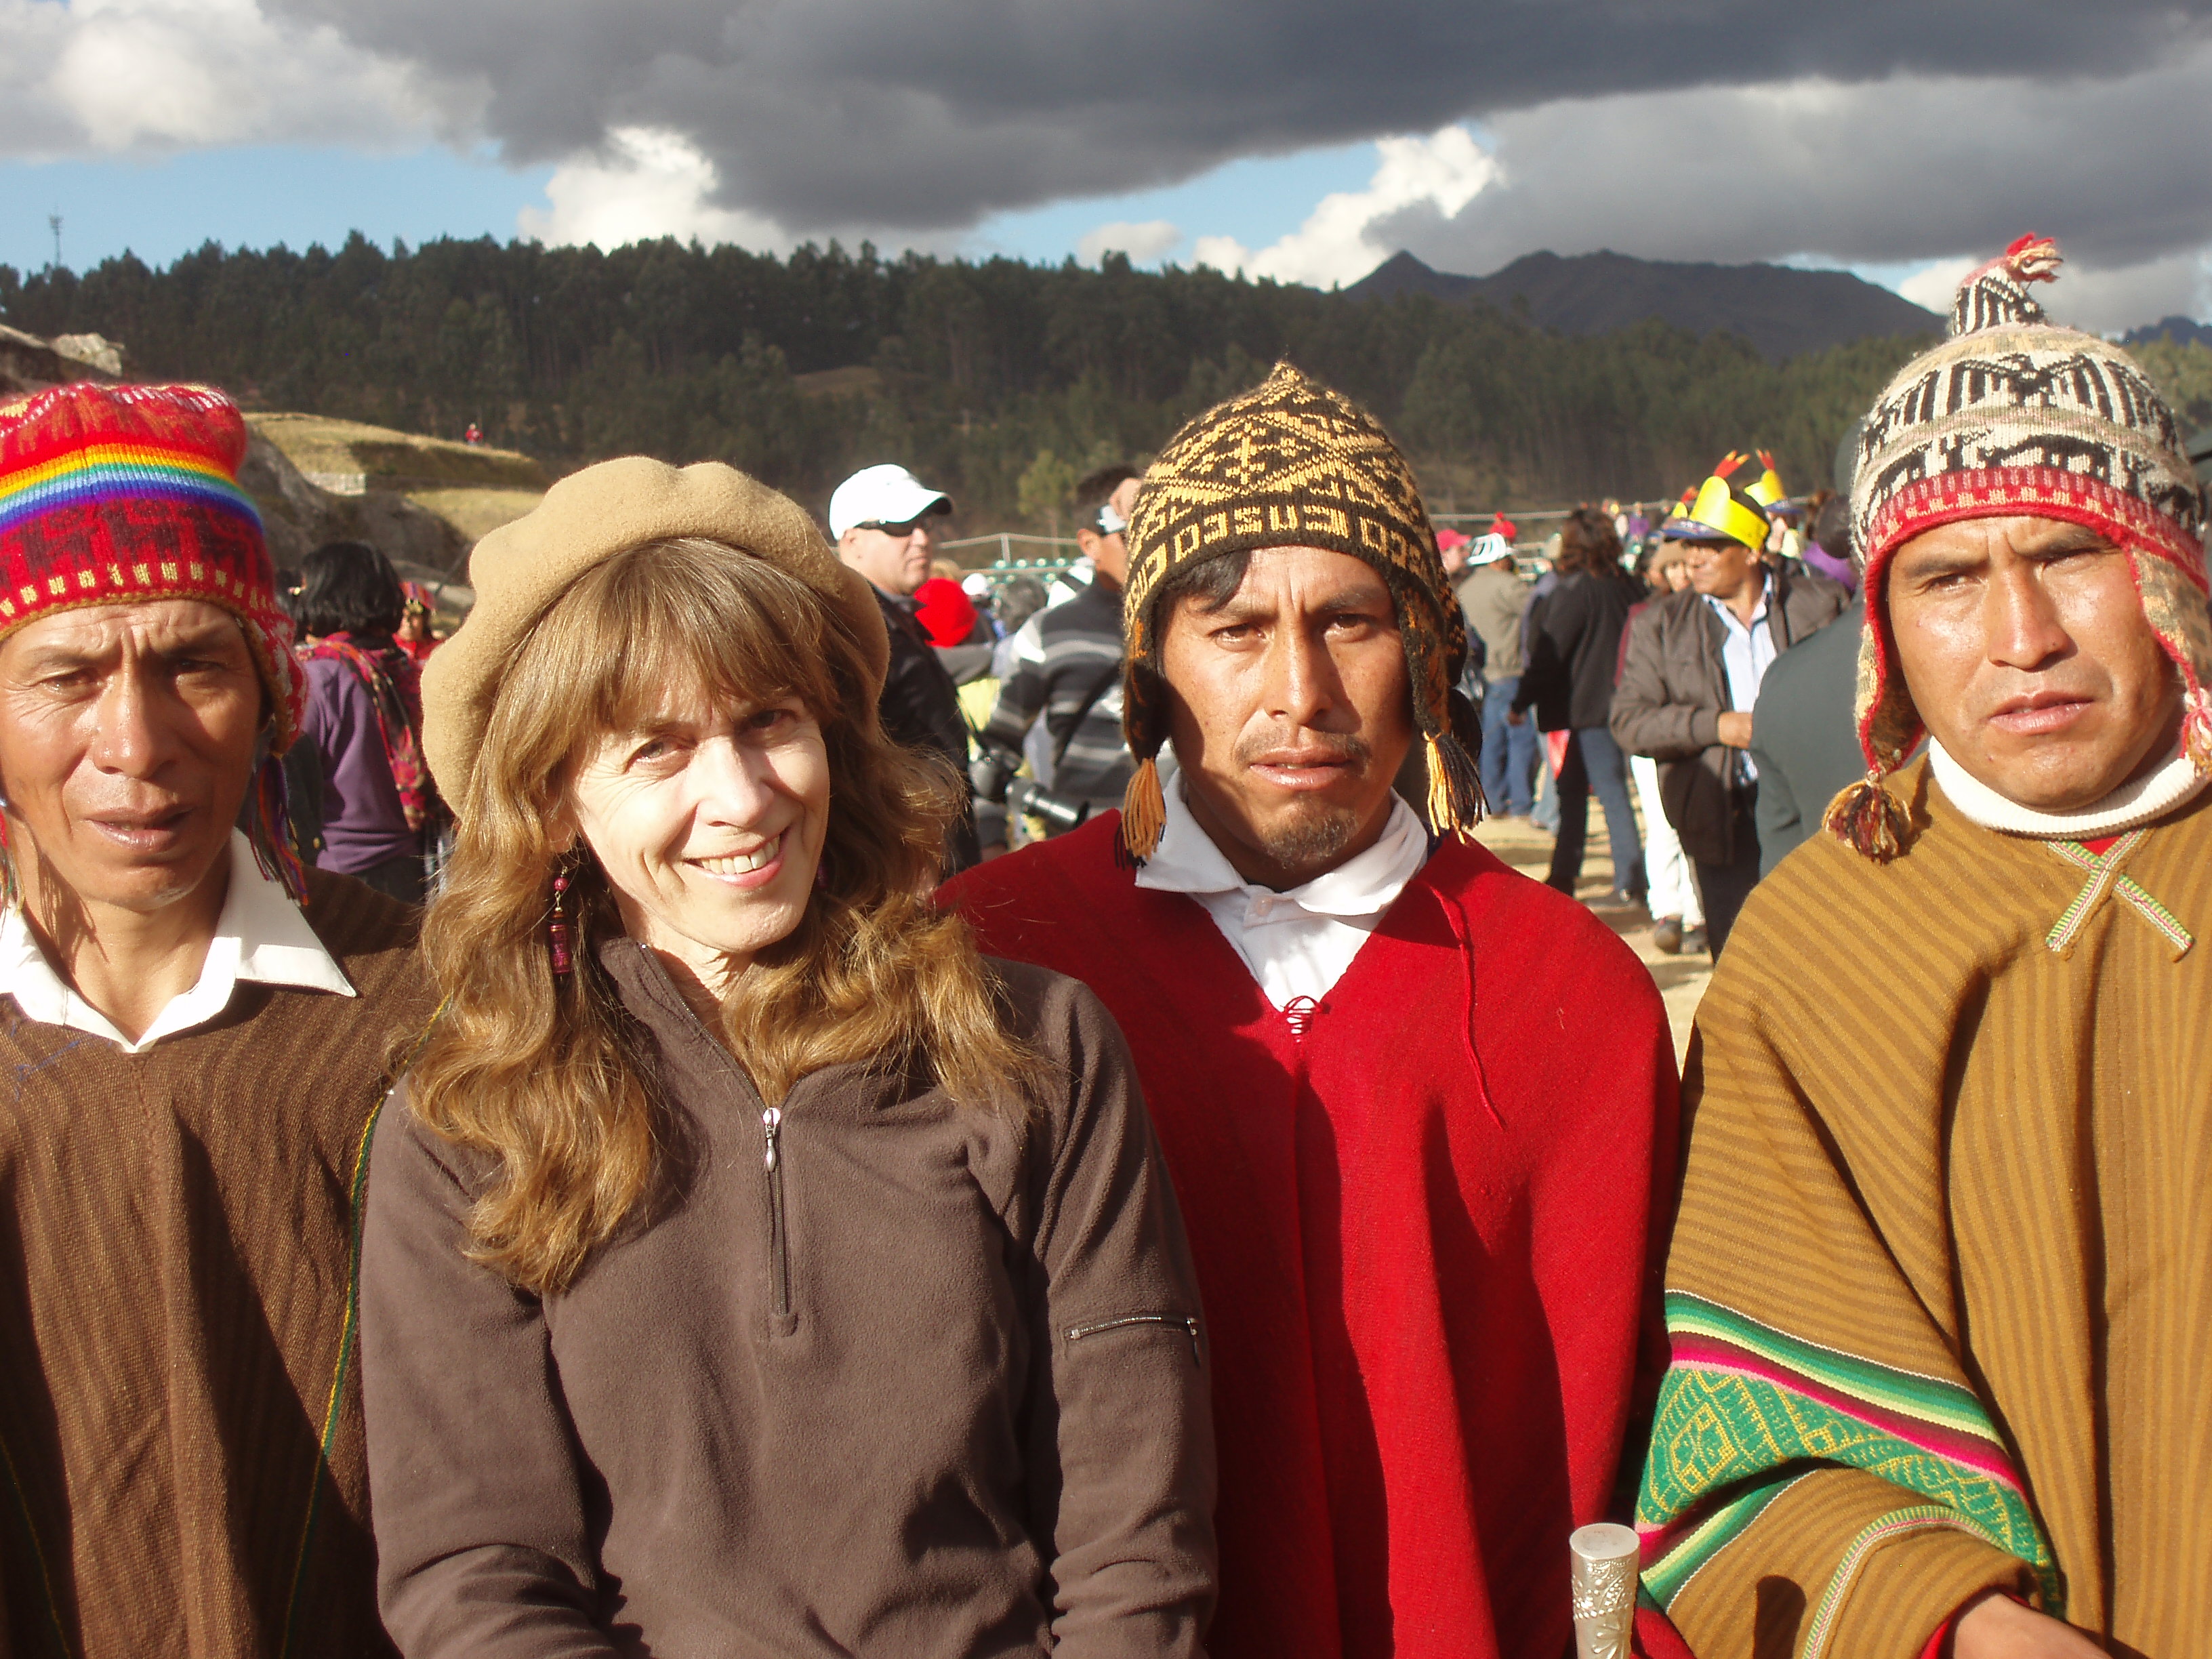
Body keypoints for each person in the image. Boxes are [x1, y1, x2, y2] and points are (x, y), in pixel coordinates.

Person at [365, 458, 1216, 1656]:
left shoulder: (1034, 1048)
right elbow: (476, 1573)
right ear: (554, 801)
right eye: (656, 749)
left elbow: (1135, 1531)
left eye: (768, 720)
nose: (742, 797)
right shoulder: (470, 1122)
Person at [946, 363, 1679, 1659]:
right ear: (1150, 667)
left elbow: (1656, 1444)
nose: (1299, 690)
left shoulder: (1572, 993)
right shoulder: (990, 961)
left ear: (1426, 652)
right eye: (1233, 629)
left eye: (1349, 621)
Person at [1635, 237, 2212, 1659]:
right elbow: (1742, 1448)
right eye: (1947, 576)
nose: (2020, 635)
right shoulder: (1813, 951)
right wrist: (1954, 1620)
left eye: (2070, 553)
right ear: (1882, 627)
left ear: (2171, 573)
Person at [0, 382, 436, 1654]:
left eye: (193, 664)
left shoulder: (429, 1004)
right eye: (65, 675)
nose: (136, 743)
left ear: (272, 695)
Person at [1612, 463, 1847, 954]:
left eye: (1712, 546)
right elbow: (1629, 722)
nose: (1693, 558)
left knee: (1829, 953)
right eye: (1689, 545)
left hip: (1818, 812)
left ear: (1752, 551)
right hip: (1721, 817)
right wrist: (1717, 726)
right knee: (1743, 963)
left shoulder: (1822, 605)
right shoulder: (1661, 626)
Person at [973, 465, 1141, 849]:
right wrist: (992, 844)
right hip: (1087, 847)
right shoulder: (1046, 632)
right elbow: (998, 752)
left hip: (1192, 852)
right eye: (1130, 535)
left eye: (1155, 529)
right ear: (1090, 544)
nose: (1148, 546)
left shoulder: (1194, 621)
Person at [827, 462, 979, 871]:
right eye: (900, 526)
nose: (922, 538)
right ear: (853, 541)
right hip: (905, 868)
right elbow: (845, 770)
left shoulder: (889, 619)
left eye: (925, 524)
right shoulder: (848, 631)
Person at [1513, 506, 1645, 901]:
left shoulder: (1576, 591)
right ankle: (1564, 876)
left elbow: (1549, 655)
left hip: (1588, 710)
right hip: (1624, 702)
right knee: (1574, 792)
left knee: (1609, 793)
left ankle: (1631, 880)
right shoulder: (1630, 587)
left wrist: (1522, 700)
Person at [298, 539, 435, 904]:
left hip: (340, 871)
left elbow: (289, 782)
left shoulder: (320, 677)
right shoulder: (411, 670)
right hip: (418, 863)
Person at [1627, 537, 1704, 952]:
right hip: (1656, 736)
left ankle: (1697, 913)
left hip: (1701, 734)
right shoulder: (1644, 617)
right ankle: (1668, 909)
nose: (1679, 574)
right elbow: (1630, 688)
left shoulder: (1711, 614)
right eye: (1671, 567)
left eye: (1684, 565)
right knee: (1662, 825)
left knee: (1698, 825)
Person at [1458, 520, 1538, 815]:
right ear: (1498, 559)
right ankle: (1521, 802)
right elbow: (1538, 613)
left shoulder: (1464, 589)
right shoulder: (1509, 586)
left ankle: (1492, 797)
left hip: (1485, 675)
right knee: (1521, 740)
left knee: (1491, 740)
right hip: (1511, 671)